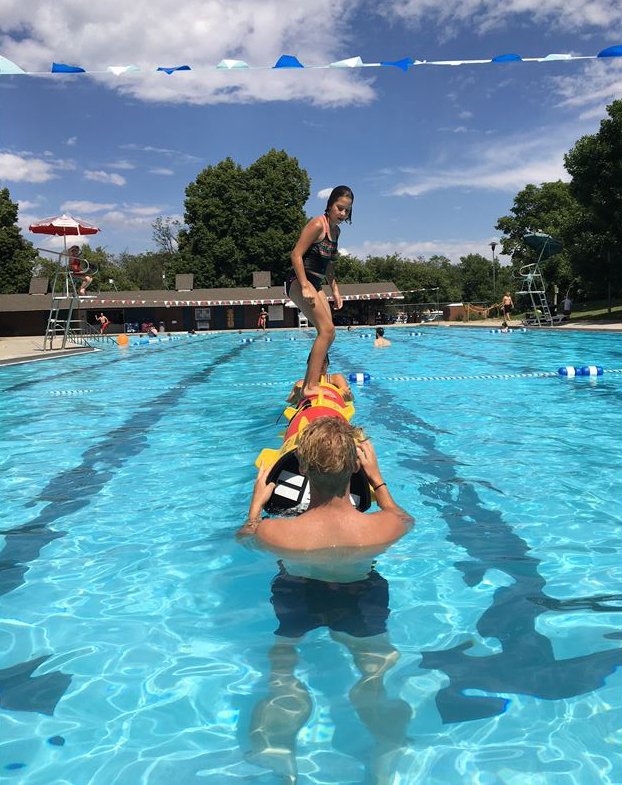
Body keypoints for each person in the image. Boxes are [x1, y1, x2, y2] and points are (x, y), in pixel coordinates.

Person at [237, 417, 413, 781]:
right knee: (374, 674)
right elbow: (402, 516)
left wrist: (255, 508)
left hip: (298, 591)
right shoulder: (386, 526)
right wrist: (377, 477)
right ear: (355, 466)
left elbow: (245, 537)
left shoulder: (275, 532)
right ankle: (386, 753)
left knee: (282, 668)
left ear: (301, 468)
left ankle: (277, 752)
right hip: (362, 593)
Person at [285, 186, 353, 399]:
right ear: (330, 205)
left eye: (347, 210)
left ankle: (306, 384)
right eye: (339, 208)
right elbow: (295, 254)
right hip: (298, 280)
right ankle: (310, 387)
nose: (342, 214)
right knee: (327, 330)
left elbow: (329, 264)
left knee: (328, 333)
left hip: (317, 283)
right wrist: (304, 285)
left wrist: (335, 290)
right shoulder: (317, 224)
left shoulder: (336, 231)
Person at [286, 352, 353, 406]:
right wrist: (298, 395)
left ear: (328, 364)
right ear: (309, 364)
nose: (321, 364)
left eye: (324, 361)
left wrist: (348, 397)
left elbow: (350, 398)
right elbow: (289, 401)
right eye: (317, 362)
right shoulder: (301, 383)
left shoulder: (336, 379)